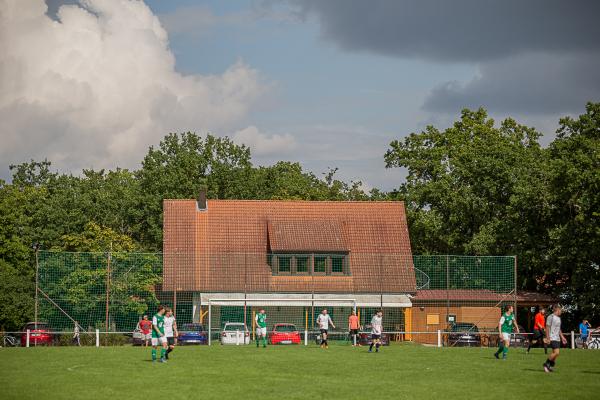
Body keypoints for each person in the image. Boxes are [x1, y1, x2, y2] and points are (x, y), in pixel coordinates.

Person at [543, 305, 567, 373]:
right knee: (556, 352)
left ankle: (550, 366)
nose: (561, 312)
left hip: (557, 338)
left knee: (555, 353)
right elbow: (547, 327)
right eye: (561, 310)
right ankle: (546, 364)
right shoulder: (551, 317)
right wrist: (548, 338)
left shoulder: (558, 318)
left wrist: (562, 337)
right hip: (552, 337)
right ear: (557, 310)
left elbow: (559, 329)